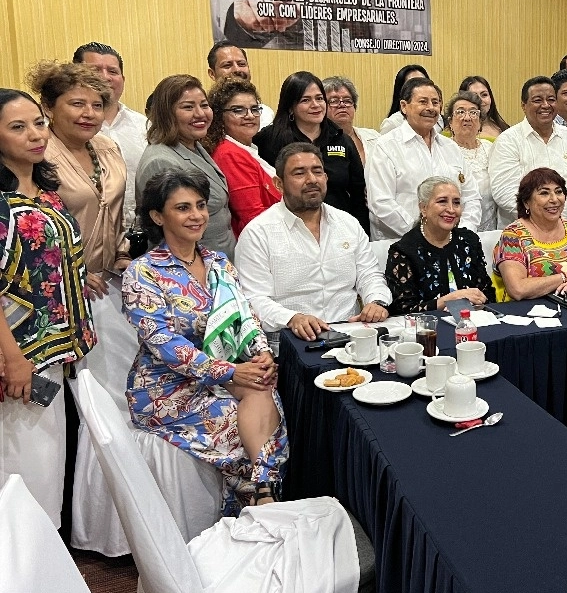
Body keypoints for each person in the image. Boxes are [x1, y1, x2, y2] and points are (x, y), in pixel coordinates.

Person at [122, 169, 285, 512]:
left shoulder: (218, 263)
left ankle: (261, 491)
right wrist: (229, 372)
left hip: (224, 371)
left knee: (265, 383)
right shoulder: (144, 272)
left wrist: (261, 353)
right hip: (165, 387)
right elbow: (163, 342)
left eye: (200, 205)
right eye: (182, 208)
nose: (196, 215)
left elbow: (245, 316)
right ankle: (250, 501)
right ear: (157, 216)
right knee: (229, 413)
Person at [0, 88, 96, 527]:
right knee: (22, 470)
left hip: (55, 349)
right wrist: (13, 358)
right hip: (18, 356)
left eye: (38, 123)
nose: (35, 134)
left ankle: (44, 566)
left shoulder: (45, 190)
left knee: (48, 465)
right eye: (17, 127)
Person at [236, 143, 392, 344]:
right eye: (299, 173)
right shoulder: (258, 233)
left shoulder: (348, 223)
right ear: (279, 184)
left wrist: (377, 301)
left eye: (317, 171)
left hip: (350, 335)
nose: (311, 180)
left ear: (326, 178)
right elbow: (253, 299)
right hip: (292, 343)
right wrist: (292, 318)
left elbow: (369, 274)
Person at [28, 60, 131, 299]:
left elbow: (117, 212)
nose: (89, 114)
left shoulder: (108, 147)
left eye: (97, 105)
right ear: (48, 108)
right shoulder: (37, 154)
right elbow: (32, 230)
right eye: (77, 104)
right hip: (57, 286)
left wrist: (123, 254)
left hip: (109, 282)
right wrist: (73, 271)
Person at [252, 71, 369, 235]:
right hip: (287, 230)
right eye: (306, 100)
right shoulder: (270, 139)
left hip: (338, 229)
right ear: (291, 106)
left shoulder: (340, 138)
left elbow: (358, 194)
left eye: (320, 98)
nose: (316, 105)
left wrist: (362, 234)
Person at [366, 78, 481, 240]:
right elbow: (380, 202)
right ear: (404, 107)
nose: (431, 108)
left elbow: (471, 197)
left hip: (451, 244)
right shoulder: (385, 147)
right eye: (423, 101)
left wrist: (462, 233)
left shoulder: (450, 148)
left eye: (435, 102)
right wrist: (424, 236)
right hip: (402, 244)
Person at [135, 75, 236, 259]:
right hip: (185, 273)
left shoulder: (195, 146)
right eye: (188, 107)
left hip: (219, 265)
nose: (200, 114)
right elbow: (167, 234)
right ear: (167, 114)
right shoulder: (160, 161)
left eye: (204, 105)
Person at [489, 76, 567, 228]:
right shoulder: (508, 141)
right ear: (524, 105)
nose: (545, 105)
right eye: (537, 100)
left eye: (551, 99)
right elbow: (504, 192)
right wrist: (544, 220)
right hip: (524, 233)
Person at [494, 168, 567, 301]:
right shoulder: (513, 236)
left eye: (559, 192)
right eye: (544, 193)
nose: (554, 199)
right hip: (530, 314)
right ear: (526, 202)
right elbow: (518, 289)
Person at [385, 176, 496, 314]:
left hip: (473, 322)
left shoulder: (469, 240)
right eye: (442, 201)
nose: (451, 209)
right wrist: (449, 299)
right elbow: (403, 310)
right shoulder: (404, 251)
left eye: (456, 203)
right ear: (423, 208)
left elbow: (487, 294)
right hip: (428, 330)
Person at [73, 42, 147, 228]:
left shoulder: (143, 126)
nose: (105, 77)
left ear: (123, 78)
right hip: (88, 238)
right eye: (95, 70)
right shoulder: (61, 132)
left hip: (142, 234)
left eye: (113, 71)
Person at [205, 76, 281, 236]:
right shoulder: (230, 154)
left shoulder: (246, 148)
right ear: (219, 116)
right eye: (238, 110)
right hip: (261, 245)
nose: (250, 115)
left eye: (254, 109)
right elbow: (253, 217)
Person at [445, 90, 497, 231]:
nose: (467, 117)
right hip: (455, 229)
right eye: (460, 112)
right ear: (450, 121)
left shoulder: (491, 148)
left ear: (480, 122)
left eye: (473, 112)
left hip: (491, 229)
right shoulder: (444, 150)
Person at [206, 40, 274, 129]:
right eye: (227, 65)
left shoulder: (265, 114)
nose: (237, 70)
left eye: (241, 64)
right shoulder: (205, 114)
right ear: (212, 74)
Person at [324, 75, 379, 165]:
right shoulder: (319, 141)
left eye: (347, 101)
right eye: (334, 101)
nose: (342, 105)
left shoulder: (374, 136)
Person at [380, 64, 430, 134]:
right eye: (413, 85)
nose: (419, 89)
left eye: (423, 83)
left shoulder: (437, 119)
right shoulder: (393, 123)